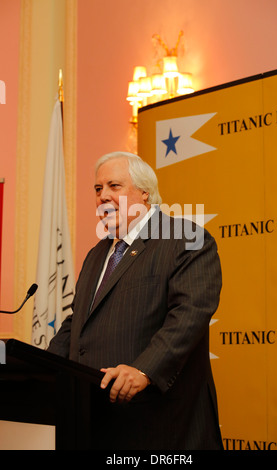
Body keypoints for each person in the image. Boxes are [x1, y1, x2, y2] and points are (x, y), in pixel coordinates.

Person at [47, 151, 223, 450]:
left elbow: (189, 315)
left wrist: (144, 370)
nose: (103, 196)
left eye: (114, 186)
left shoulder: (186, 238)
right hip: (98, 419)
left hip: (159, 421)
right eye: (98, 189)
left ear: (145, 194)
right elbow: (77, 322)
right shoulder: (97, 254)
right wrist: (46, 369)